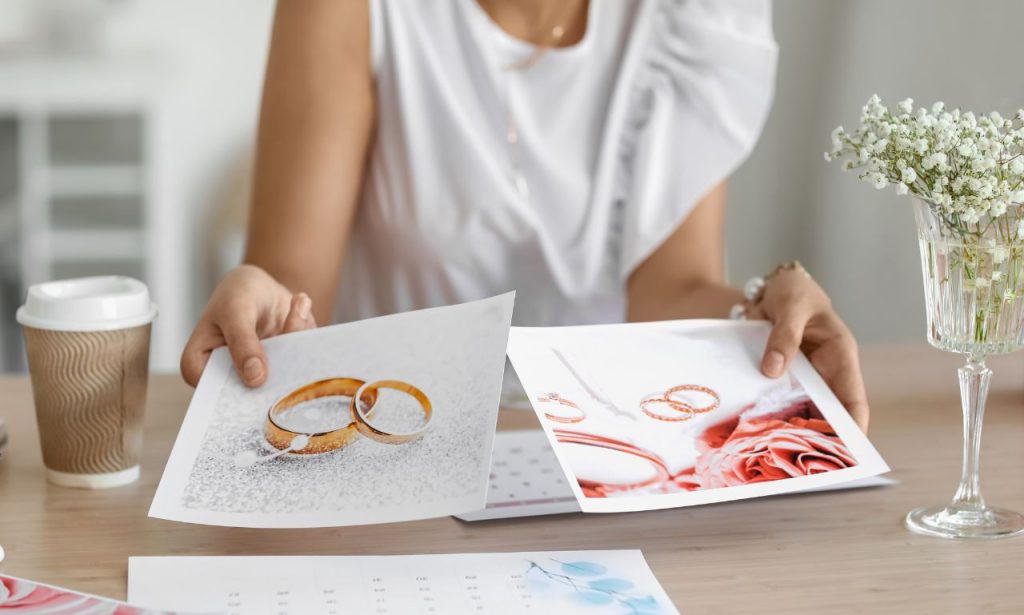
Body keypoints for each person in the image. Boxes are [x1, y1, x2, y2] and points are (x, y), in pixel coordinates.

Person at [180, 0, 869, 431]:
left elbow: (672, 287)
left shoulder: (690, 21)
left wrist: (764, 319)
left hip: (603, 458)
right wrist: (265, 303)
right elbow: (296, 297)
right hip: (391, 443)